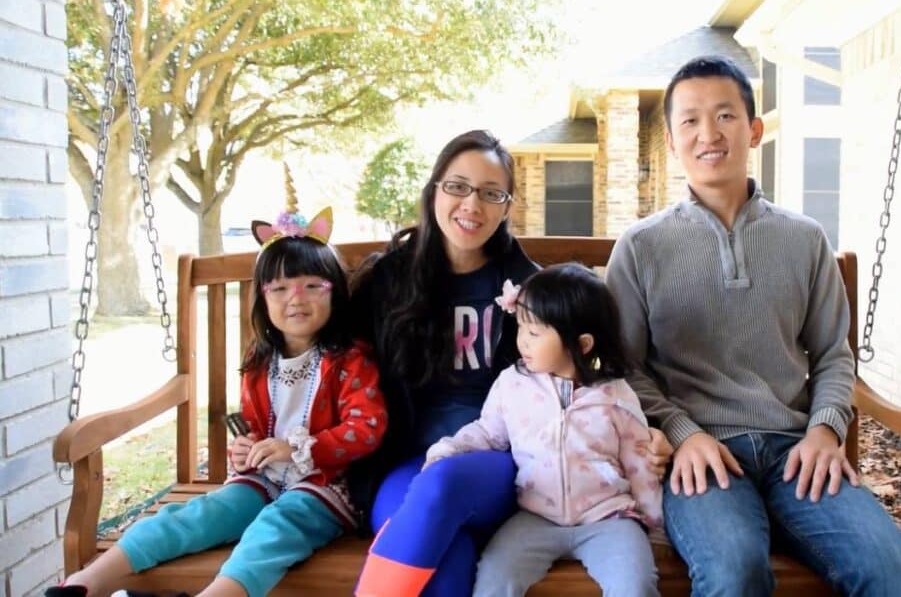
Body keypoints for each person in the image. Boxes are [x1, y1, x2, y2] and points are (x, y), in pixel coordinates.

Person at [605, 56, 901, 596]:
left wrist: (826, 427)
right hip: (701, 457)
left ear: (753, 130)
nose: (709, 133)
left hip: (794, 451)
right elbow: (624, 369)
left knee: (893, 572)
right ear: (671, 137)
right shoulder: (640, 247)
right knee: (734, 573)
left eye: (726, 115)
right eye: (690, 120)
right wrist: (683, 434)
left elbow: (832, 353)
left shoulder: (804, 239)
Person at [349, 130, 672, 597]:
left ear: (507, 207)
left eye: (490, 193)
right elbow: (337, 360)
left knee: (443, 485)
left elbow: (587, 374)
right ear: (434, 190)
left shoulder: (529, 291)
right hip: (407, 463)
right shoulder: (389, 280)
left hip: (500, 463)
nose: (471, 205)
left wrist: (650, 428)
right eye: (457, 186)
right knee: (449, 553)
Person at [47, 207, 386, 597]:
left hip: (325, 487)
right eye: (279, 288)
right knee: (199, 515)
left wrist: (294, 450)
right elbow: (255, 426)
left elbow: (367, 429)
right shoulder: (260, 363)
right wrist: (246, 448)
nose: (297, 299)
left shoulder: (350, 360)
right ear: (263, 298)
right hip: (264, 479)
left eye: (313, 286)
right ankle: (84, 584)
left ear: (335, 293)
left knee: (274, 531)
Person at [424, 263, 661, 597]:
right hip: (535, 516)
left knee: (635, 586)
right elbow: (488, 433)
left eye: (534, 333)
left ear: (582, 344)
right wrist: (448, 450)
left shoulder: (616, 394)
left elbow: (639, 463)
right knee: (493, 578)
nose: (523, 341)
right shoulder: (512, 384)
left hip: (609, 518)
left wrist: (655, 525)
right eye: (521, 327)